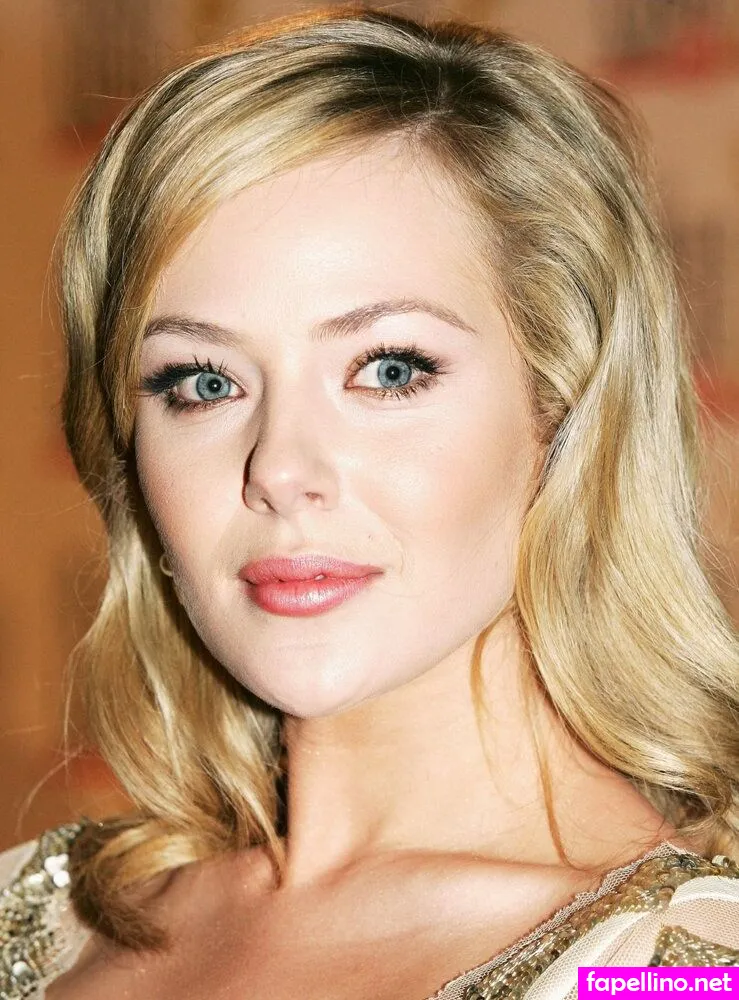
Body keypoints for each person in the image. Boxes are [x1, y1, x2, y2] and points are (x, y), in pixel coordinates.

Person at [2, 4, 739, 998]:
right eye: (204, 382)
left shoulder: (677, 966)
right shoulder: (40, 923)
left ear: (562, 400)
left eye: (388, 369)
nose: (278, 466)